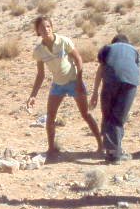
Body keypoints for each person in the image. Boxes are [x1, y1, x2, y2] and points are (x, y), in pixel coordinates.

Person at [26, 15, 102, 160]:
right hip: (57, 85)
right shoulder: (39, 51)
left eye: (48, 26)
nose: (46, 29)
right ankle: (51, 149)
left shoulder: (63, 41)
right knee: (50, 117)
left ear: (52, 27)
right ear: (38, 32)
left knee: (85, 114)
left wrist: (79, 81)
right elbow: (40, 74)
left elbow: (78, 59)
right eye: (42, 28)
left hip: (73, 80)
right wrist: (33, 95)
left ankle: (100, 145)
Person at [90, 34, 140, 163]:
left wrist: (95, 92)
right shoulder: (134, 51)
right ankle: (115, 150)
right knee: (119, 117)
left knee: (108, 115)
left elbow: (101, 69)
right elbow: (136, 68)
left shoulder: (107, 48)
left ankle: (113, 153)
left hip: (111, 81)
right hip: (131, 83)